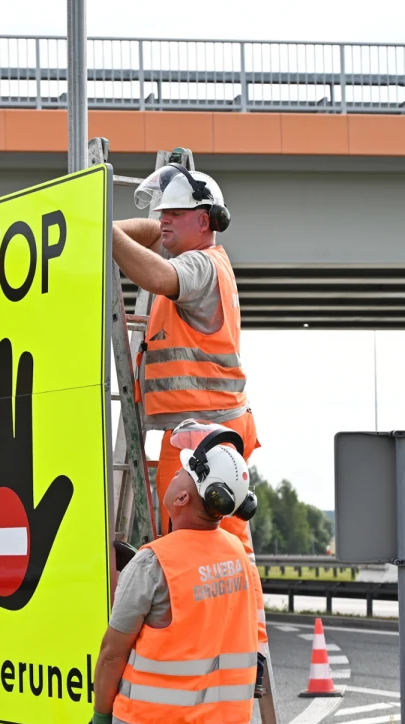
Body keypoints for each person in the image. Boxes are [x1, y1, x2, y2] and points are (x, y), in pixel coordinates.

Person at [111, 161, 269, 670]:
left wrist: (101, 234)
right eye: (162, 215)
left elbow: (156, 272)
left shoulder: (202, 266)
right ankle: (204, 644)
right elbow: (155, 242)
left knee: (227, 551)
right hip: (190, 437)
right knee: (188, 552)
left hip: (213, 436)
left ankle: (251, 652)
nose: (165, 222)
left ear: (205, 220)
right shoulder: (191, 252)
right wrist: (108, 227)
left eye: (176, 214)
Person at [92, 421, 263, 724]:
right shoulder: (240, 558)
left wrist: (102, 714)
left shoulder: (152, 564)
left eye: (183, 471)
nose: (174, 474)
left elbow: (111, 653)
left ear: (183, 499)